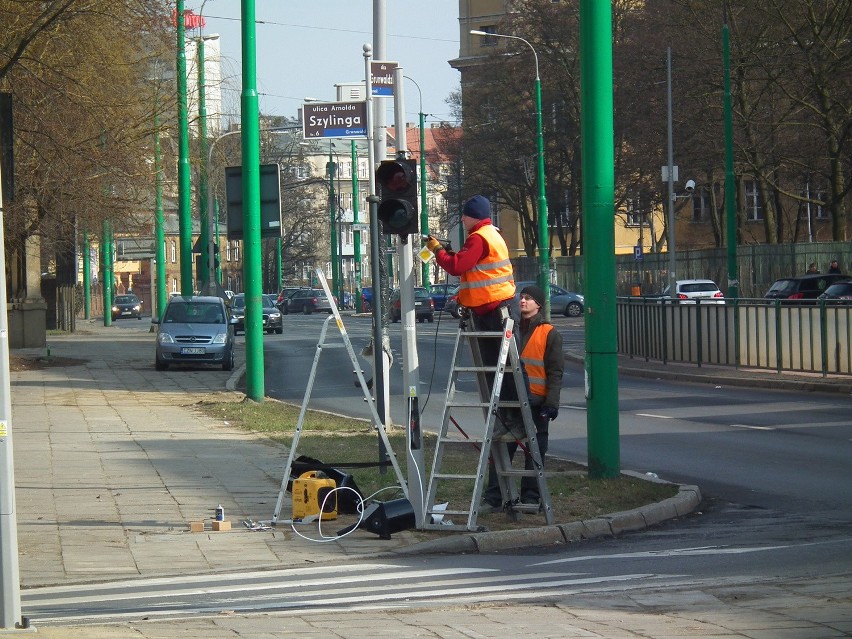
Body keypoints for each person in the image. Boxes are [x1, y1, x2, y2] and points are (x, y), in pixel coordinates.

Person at [424, 194, 521, 433]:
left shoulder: (478, 238)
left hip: (494, 309)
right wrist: (449, 252)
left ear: (473, 216)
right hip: (496, 306)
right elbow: (469, 265)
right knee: (502, 367)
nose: (462, 219)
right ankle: (508, 417)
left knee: (500, 367)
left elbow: (457, 266)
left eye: (465, 215)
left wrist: (437, 250)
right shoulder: (490, 235)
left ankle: (510, 417)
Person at [483, 284, 563, 509]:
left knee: (535, 452)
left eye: (528, 298)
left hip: (537, 402)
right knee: (500, 449)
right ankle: (495, 497)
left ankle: (530, 496)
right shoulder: (511, 327)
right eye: (522, 297)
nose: (523, 301)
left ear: (538, 304)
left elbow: (556, 372)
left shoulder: (549, 333)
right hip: (511, 399)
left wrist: (551, 404)